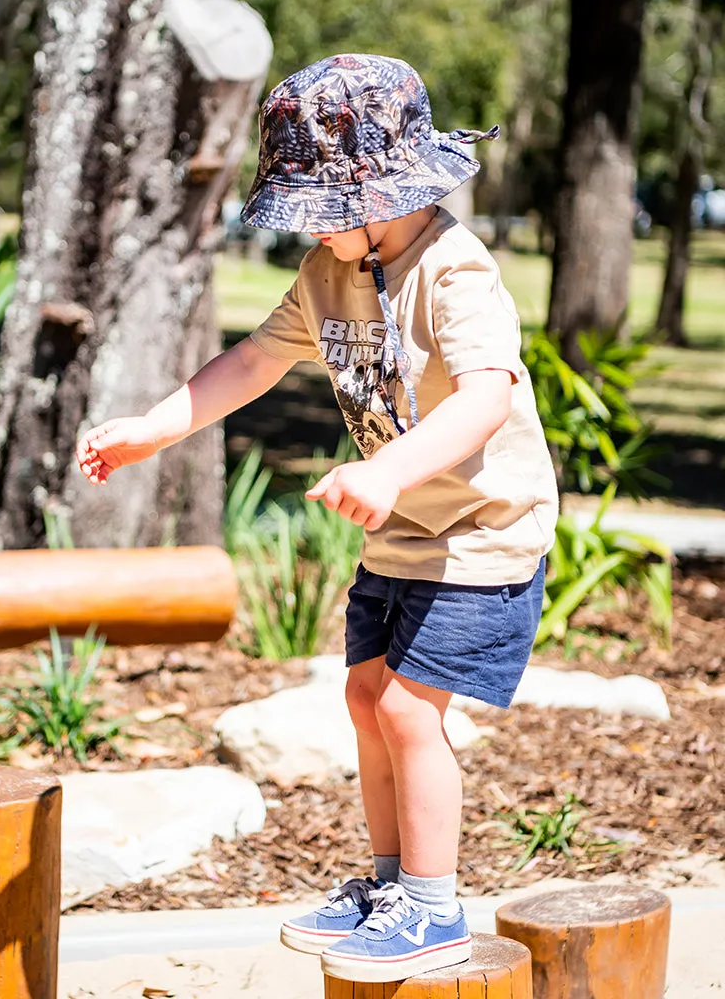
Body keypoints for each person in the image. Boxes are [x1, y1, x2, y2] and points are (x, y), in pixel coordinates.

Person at [76, 53, 558, 983]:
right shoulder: (329, 271)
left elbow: (485, 399)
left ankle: (433, 905)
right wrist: (150, 429)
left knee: (414, 716)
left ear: (382, 194)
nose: (315, 231)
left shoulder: (455, 270)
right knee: (367, 699)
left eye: (324, 212)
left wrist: (387, 469)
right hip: (403, 534)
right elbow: (250, 365)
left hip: (481, 535)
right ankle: (388, 884)